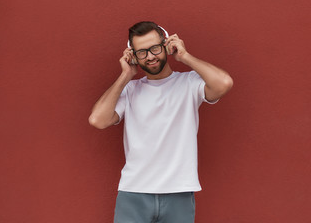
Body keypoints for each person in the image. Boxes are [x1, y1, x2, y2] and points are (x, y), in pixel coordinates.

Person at [89, 21, 233, 223]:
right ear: (133, 56)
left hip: (179, 192)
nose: (149, 56)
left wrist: (184, 56)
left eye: (154, 48)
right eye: (141, 52)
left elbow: (224, 83)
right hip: (134, 192)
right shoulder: (130, 90)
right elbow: (98, 120)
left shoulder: (189, 83)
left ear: (166, 45)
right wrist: (125, 75)